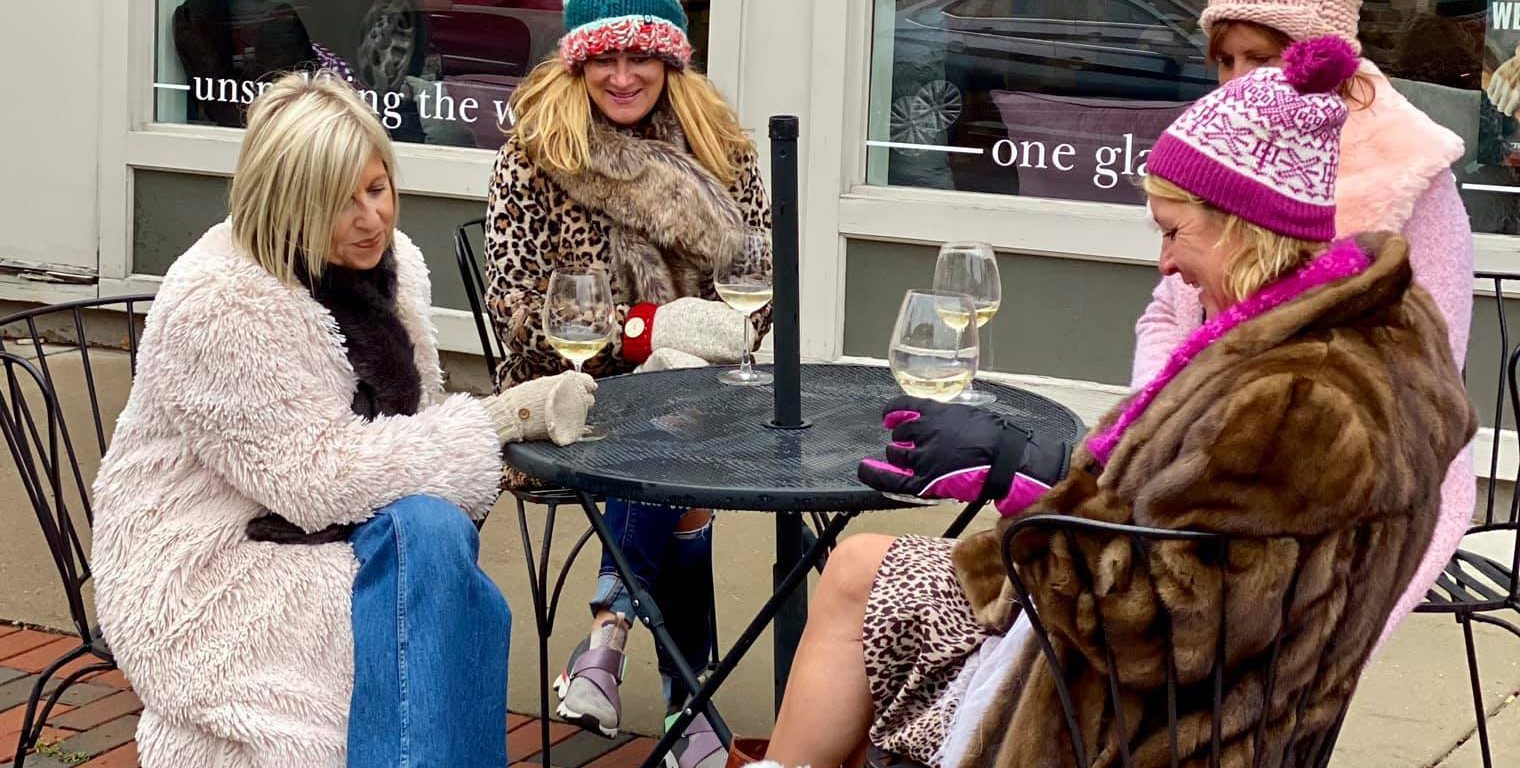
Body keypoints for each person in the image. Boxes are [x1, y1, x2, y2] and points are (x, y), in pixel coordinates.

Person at [761, 38, 1476, 768]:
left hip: (1140, 723)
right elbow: (1185, 535)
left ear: (1243, 225)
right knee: (859, 570)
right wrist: (1037, 486)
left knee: (869, 602)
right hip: (1161, 672)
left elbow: (1165, 628)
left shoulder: (1300, 397)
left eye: (1172, 231)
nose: (1163, 261)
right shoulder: (1330, 332)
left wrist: (1027, 493)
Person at [91, 71, 596, 768]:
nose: (371, 219)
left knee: (434, 535)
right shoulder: (220, 303)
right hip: (213, 555)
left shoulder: (393, 269)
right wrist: (492, 423)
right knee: (431, 578)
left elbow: (395, 439)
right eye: (338, 202)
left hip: (330, 522)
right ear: (288, 202)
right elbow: (315, 477)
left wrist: (468, 438)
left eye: (376, 188)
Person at [1132, 0, 1476, 657]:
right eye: (1225, 61)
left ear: (1325, 60)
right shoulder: (1222, 150)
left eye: (1260, 58)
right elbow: (1166, 309)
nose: (1237, 81)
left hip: (1352, 480)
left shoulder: (1413, 177)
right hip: (1203, 457)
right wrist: (1154, 411)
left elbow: (1426, 380)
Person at [482, 2, 769, 764]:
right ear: (576, 62)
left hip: (699, 394)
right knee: (678, 422)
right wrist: (645, 331)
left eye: (639, 57)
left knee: (682, 398)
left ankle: (607, 639)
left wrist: (686, 344)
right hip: (569, 393)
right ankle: (690, 705)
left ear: (670, 61)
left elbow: (757, 292)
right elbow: (513, 301)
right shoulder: (537, 152)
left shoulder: (723, 153)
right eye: (603, 58)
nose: (621, 75)